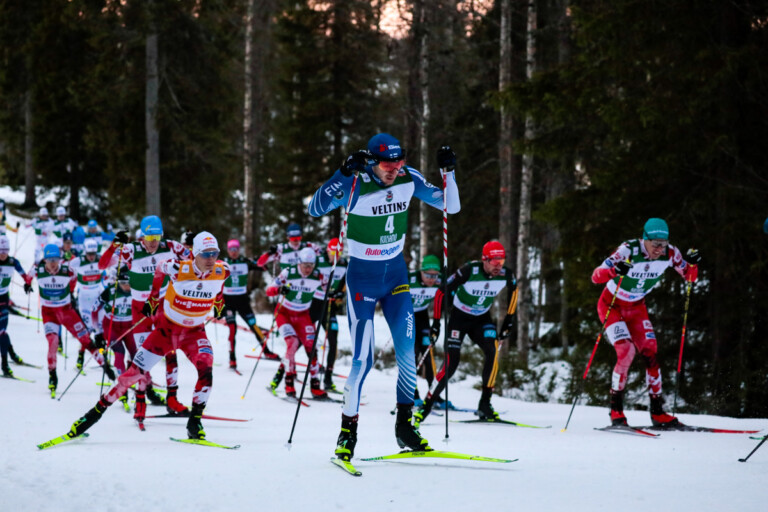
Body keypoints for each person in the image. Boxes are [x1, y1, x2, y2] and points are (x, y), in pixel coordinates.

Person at [308, 133, 460, 461]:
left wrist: (448, 174)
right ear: (373, 162)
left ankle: (405, 427)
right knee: (363, 360)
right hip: (362, 281)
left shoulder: (408, 178)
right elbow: (315, 208)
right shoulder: (355, 183)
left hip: (395, 278)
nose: (393, 169)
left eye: (398, 162)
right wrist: (341, 173)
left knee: (408, 354)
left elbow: (452, 205)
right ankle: (348, 432)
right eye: (387, 164)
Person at [66, 232, 229, 440]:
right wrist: (152, 299)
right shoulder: (179, 268)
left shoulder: (222, 270)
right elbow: (159, 270)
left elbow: (220, 284)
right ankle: (92, 416)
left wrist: (218, 303)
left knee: (206, 370)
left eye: (214, 253)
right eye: (205, 254)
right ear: (194, 254)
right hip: (166, 332)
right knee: (131, 375)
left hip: (194, 333)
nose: (210, 259)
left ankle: (194, 423)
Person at [591, 218, 700, 427]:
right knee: (626, 351)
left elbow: (690, 277)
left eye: (664, 243)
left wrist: (693, 263)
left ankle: (658, 412)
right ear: (645, 240)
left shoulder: (671, 253)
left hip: (636, 307)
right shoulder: (627, 250)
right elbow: (596, 277)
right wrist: (614, 271)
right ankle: (616, 412)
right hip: (611, 305)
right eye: (655, 244)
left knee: (650, 352)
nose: (660, 249)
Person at [414, 241, 518, 425]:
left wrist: (509, 321)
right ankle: (427, 405)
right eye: (494, 262)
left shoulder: (505, 274)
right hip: (459, 319)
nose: (498, 266)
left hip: (481, 319)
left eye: (501, 261)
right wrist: (436, 323)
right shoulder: (470, 270)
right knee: (451, 363)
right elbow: (440, 293)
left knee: (493, 351)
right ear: (484, 260)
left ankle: (485, 404)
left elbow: (514, 290)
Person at [98, 215, 190, 414]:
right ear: (142, 238)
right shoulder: (131, 251)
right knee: (142, 358)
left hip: (163, 308)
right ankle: (140, 401)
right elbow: (102, 265)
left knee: (171, 352)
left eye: (156, 236)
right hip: (140, 311)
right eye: (149, 237)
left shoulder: (172, 247)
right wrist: (114, 245)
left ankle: (172, 399)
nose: (153, 242)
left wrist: (192, 249)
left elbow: (195, 262)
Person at [24, 244, 115, 397]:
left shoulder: (67, 270)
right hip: (49, 314)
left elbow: (74, 278)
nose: (53, 263)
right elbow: (28, 275)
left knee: (86, 340)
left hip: (67, 312)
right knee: (52, 342)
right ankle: (52, 376)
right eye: (50, 260)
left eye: (56, 260)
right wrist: (27, 284)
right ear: (45, 260)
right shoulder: (38, 269)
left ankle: (105, 366)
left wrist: (71, 293)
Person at [266, 247, 328, 399]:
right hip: (284, 313)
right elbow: (269, 290)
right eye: (305, 265)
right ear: (299, 263)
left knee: (312, 347)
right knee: (292, 343)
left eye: (311, 265)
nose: (308, 269)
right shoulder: (288, 272)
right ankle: (289, 384)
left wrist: (332, 292)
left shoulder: (318, 276)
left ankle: (315, 387)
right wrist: (279, 289)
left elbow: (328, 289)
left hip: (302, 315)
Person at [222, 239, 279, 370]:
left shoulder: (245, 262)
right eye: (231, 249)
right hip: (228, 301)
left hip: (242, 301)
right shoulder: (222, 262)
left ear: (239, 250)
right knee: (232, 330)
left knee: (253, 325)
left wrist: (265, 257)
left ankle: (267, 351)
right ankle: (232, 359)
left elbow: (261, 265)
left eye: (236, 249)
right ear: (228, 250)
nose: (234, 252)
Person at [92, 266, 134, 411]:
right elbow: (94, 309)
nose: (126, 287)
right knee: (119, 353)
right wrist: (97, 332)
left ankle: (130, 379)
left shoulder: (137, 290)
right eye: (123, 284)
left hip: (129, 326)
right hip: (112, 327)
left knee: (136, 355)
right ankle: (122, 387)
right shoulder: (110, 292)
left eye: (128, 284)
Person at [308, 238, 347, 391]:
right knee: (302, 339)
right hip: (314, 304)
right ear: (327, 251)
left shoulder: (344, 264)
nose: (335, 257)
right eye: (333, 253)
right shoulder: (318, 261)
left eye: (339, 253)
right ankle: (283, 372)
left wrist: (339, 294)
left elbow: (344, 285)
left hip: (329, 306)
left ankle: (328, 378)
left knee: (333, 339)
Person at [408, 254, 441, 404]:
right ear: (421, 271)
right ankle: (412, 393)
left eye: (434, 275)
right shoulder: (410, 279)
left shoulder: (439, 284)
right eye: (428, 275)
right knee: (412, 353)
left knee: (428, 352)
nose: (431, 279)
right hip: (407, 315)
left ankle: (433, 393)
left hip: (422, 316)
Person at [69, 238, 106, 369]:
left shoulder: (101, 259)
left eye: (94, 254)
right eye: (89, 254)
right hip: (84, 299)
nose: (91, 257)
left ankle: (102, 356)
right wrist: (69, 292)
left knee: (100, 329)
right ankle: (80, 357)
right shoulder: (77, 261)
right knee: (87, 330)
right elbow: (68, 273)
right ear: (84, 252)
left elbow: (114, 267)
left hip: (97, 297)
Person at [0, 235, 33, 376]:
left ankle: (5, 364)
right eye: (1, 250)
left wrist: (27, 283)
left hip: (3, 298)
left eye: (5, 251)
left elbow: (24, 275)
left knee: (2, 331)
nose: (3, 254)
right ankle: (12, 353)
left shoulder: (13, 262)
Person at [256, 223, 321, 273]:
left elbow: (323, 255)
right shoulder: (281, 249)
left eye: (298, 238)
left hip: (306, 281)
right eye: (293, 238)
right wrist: (269, 253)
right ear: (287, 237)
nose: (296, 241)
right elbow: (260, 263)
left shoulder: (308, 246)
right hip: (288, 283)